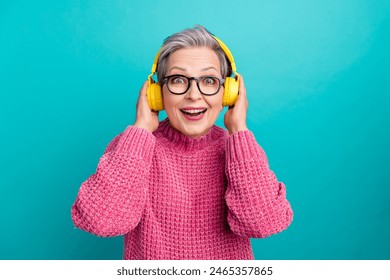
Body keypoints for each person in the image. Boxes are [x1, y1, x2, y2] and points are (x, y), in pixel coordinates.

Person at [71, 25, 293, 260]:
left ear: (229, 92)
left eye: (208, 80)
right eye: (178, 80)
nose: (194, 95)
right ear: (157, 93)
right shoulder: (133, 147)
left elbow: (263, 225)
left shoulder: (241, 151)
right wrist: (142, 129)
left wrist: (238, 130)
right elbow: (101, 222)